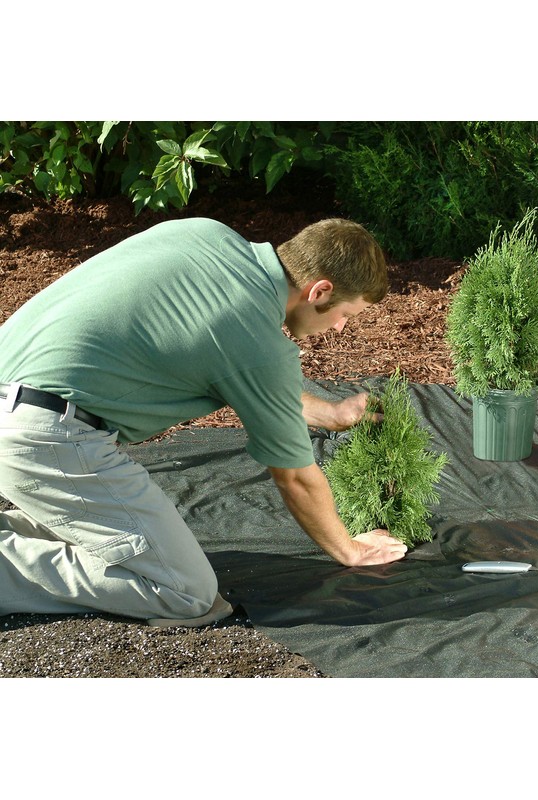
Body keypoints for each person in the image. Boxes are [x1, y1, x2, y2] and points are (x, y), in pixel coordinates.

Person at [0, 215, 408, 627]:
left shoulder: (204, 234)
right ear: (319, 291)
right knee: (186, 592)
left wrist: (332, 414)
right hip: (44, 438)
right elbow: (296, 478)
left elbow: (247, 376)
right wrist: (350, 549)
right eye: (346, 314)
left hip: (17, 408)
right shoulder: (254, 337)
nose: (339, 327)